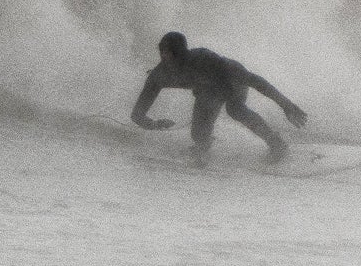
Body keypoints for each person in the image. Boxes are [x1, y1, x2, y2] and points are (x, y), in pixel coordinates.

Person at [132, 31, 309, 167]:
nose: (167, 61)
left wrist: (286, 105)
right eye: (163, 54)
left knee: (235, 109)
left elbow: (254, 80)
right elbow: (137, 115)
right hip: (206, 90)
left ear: (184, 54)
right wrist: (154, 124)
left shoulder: (204, 60)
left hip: (231, 78)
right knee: (198, 136)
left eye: (172, 55)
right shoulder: (159, 75)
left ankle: (276, 143)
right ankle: (204, 144)